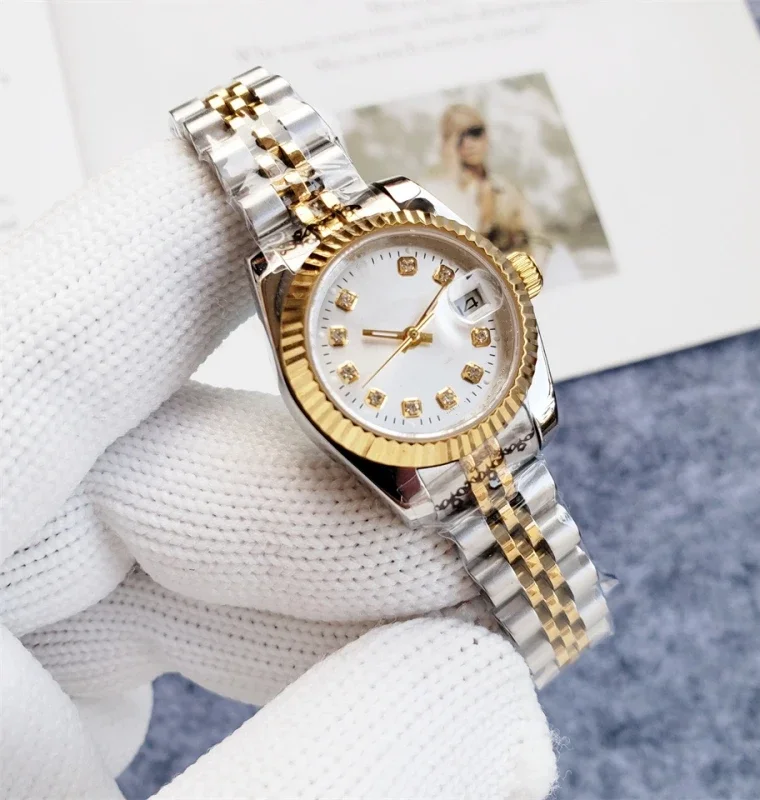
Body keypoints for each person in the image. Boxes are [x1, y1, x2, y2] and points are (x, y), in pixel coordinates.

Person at [0, 139, 559, 798]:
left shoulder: (500, 363)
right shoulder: (380, 236)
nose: (413, 338)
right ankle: (555, 625)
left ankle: (557, 623)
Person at [425, 104, 552, 265]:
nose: (468, 144)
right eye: (459, 137)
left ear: (486, 136)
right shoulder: (438, 191)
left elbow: (538, 238)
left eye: (475, 132)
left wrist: (528, 270)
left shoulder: (505, 188)